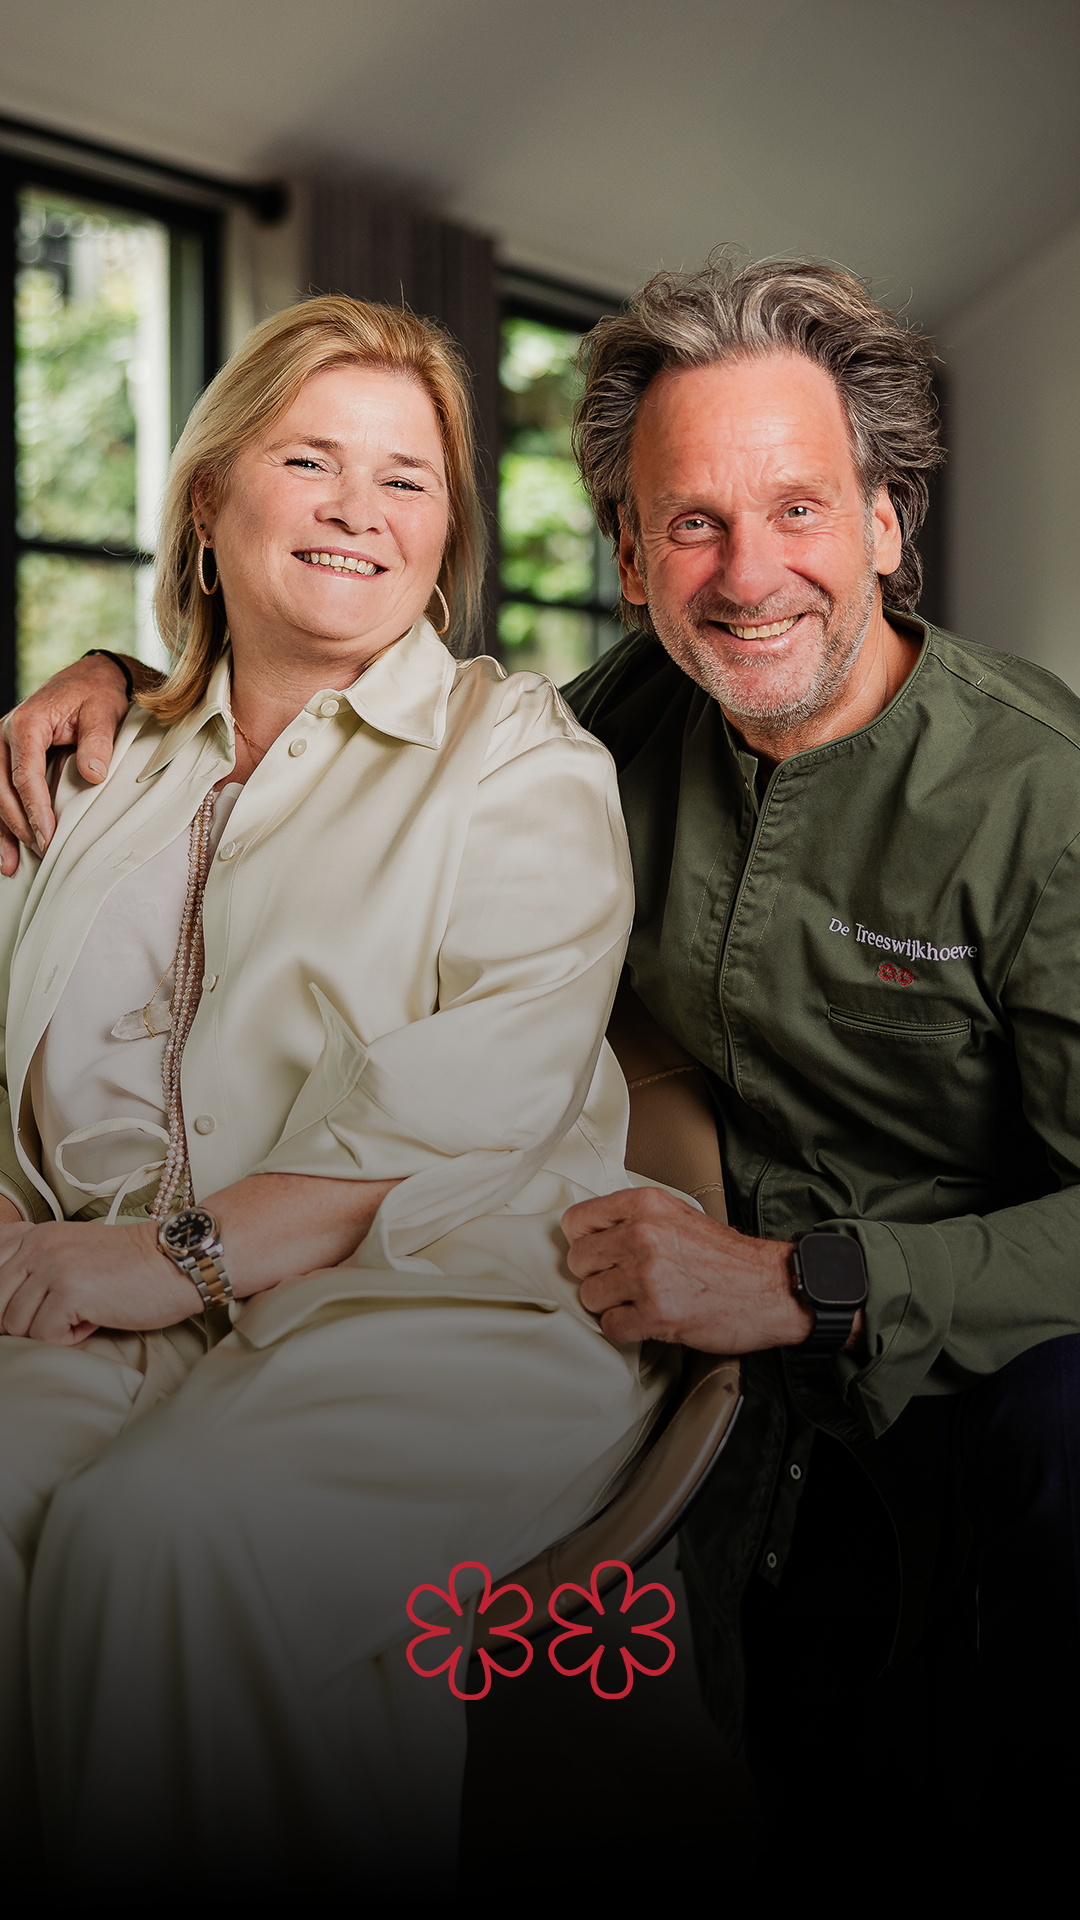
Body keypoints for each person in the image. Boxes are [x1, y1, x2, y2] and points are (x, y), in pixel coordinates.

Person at [14, 257, 1080, 1882]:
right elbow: (316, 700)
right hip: (667, 1301)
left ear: (887, 522)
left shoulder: (1038, 799)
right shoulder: (622, 712)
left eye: (799, 510)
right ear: (632, 556)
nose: (747, 577)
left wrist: (814, 1278)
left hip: (954, 1345)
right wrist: (122, 676)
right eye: (692, 524)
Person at [0, 294, 676, 1902]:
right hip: (110, 1301)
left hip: (441, 1294)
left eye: (408, 477)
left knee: (164, 1548)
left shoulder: (517, 757)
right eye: (310, 459)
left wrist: (167, 1256)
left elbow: (468, 1110)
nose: (358, 511)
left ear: (446, 530)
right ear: (212, 495)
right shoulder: (96, 763)